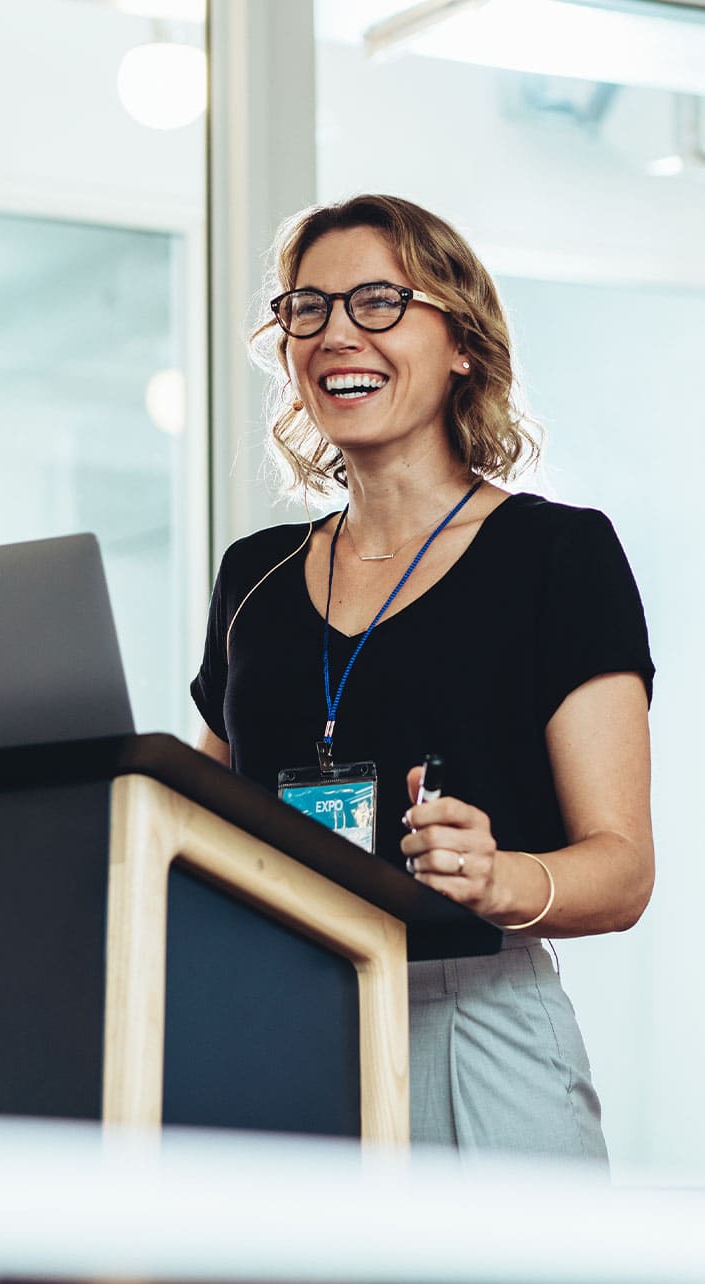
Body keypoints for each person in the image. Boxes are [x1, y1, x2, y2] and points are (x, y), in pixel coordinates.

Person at [191, 194, 653, 1161]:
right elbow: (203, 829)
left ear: (463, 344)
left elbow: (621, 872)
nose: (332, 335)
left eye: (377, 302)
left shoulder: (556, 554)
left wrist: (497, 875)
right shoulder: (255, 576)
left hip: (471, 1020)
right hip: (280, 1025)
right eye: (304, 309)